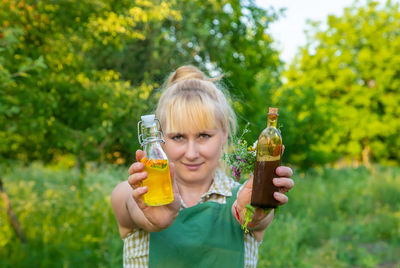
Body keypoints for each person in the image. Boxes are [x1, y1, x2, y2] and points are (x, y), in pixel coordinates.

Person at [111, 65, 294, 268]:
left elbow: (257, 219)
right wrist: (152, 218)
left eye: (204, 136)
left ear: (224, 134)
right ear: (160, 138)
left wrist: (257, 207)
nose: (191, 153)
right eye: (178, 137)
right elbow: (129, 204)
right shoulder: (136, 193)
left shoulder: (244, 197)